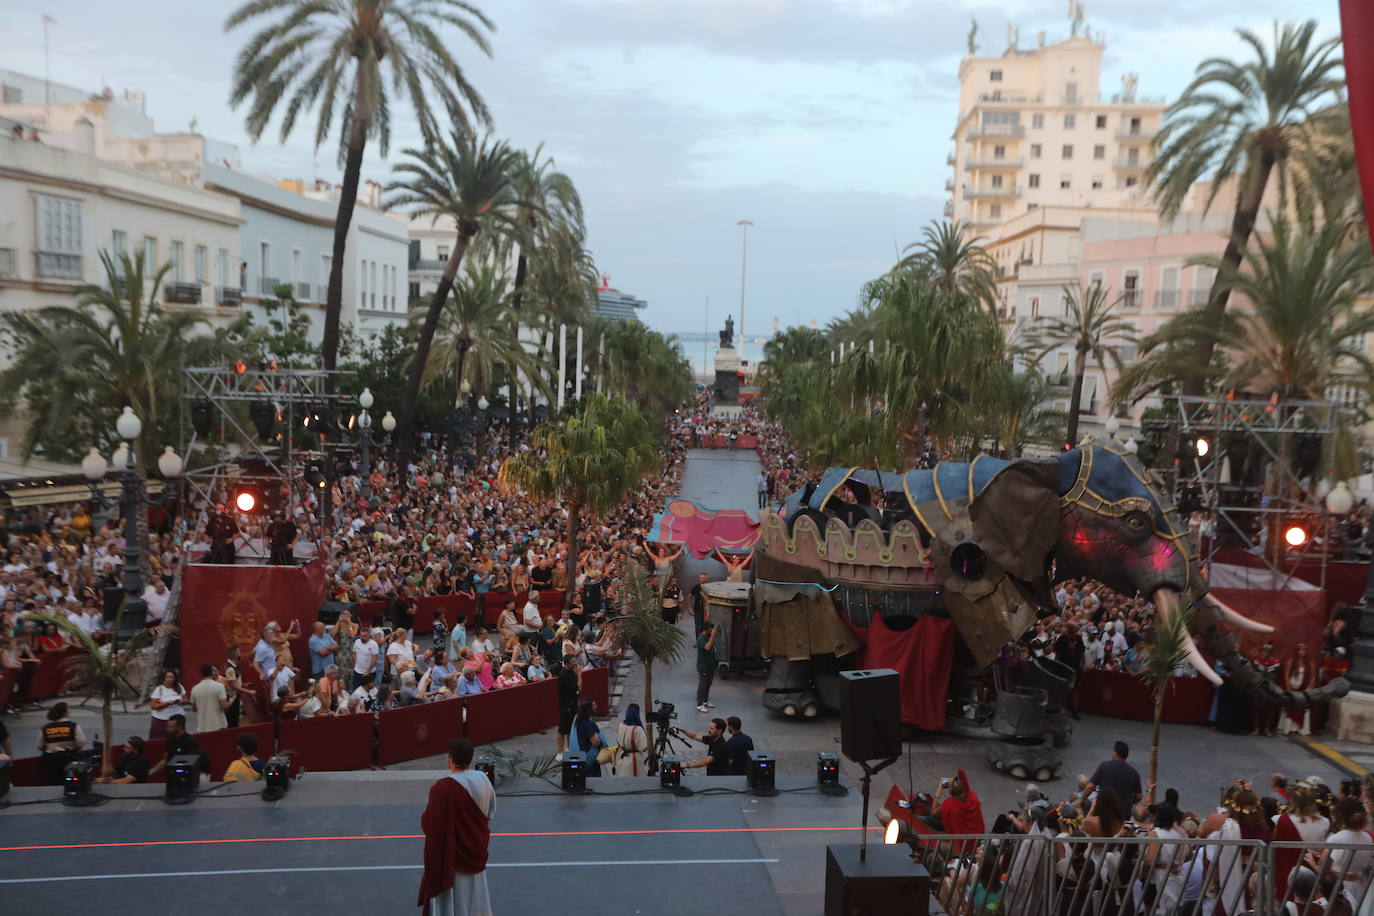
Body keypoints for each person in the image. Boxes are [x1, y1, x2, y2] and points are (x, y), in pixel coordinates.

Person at [418, 738, 496, 916]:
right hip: (476, 852)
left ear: (450, 758)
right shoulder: (483, 780)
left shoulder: (441, 789)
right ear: (470, 758)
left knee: (454, 904)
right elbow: (490, 812)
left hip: (452, 861)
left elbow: (430, 825)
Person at [921, 769, 985, 835]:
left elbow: (933, 813)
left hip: (959, 836)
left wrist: (937, 795)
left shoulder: (949, 805)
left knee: (927, 816)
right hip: (976, 833)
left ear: (951, 791)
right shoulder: (973, 796)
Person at [36, 701, 85, 785]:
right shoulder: (73, 726)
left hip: (50, 762)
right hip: (68, 761)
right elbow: (81, 743)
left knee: (53, 784)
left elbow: (39, 746)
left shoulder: (46, 728)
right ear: (65, 713)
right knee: (70, 781)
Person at [149, 714, 208, 779]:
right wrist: (151, 771)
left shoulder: (190, 741)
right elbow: (165, 760)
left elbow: (193, 763)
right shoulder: (170, 740)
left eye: (171, 727)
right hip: (173, 775)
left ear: (179, 727)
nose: (167, 729)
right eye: (168, 726)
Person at [1085, 740, 1142, 808]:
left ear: (1114, 752)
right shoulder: (1134, 773)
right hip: (1123, 811)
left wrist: (1081, 799)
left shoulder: (1104, 766)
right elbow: (1139, 796)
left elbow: (1090, 787)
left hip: (1104, 809)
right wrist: (1128, 802)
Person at [190, 663, 230, 733]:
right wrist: (231, 700)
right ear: (211, 672)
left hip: (203, 727)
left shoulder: (194, 689)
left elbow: (194, 709)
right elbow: (224, 706)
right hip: (219, 724)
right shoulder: (219, 686)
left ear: (201, 673)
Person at [149, 668, 187, 739]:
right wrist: (167, 704)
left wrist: (180, 701)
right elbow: (153, 706)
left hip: (177, 719)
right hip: (162, 719)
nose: (169, 679)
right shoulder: (159, 689)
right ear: (164, 678)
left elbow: (185, 699)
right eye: (167, 677)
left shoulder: (179, 687)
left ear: (175, 678)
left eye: (171, 677)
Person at [571, 698, 606, 776]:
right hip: (590, 763)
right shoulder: (588, 724)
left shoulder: (578, 721)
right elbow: (595, 742)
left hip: (581, 759)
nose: (596, 706)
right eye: (594, 705)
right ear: (589, 709)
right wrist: (601, 738)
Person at [613, 704, 649, 777]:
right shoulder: (637, 729)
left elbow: (618, 741)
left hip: (621, 757)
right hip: (634, 760)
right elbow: (644, 747)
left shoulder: (621, 725)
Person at [557, 654, 580, 754]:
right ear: (566, 663)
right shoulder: (563, 675)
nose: (575, 664)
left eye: (575, 661)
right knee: (562, 729)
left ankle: (569, 748)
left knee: (571, 728)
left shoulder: (571, 672)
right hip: (566, 706)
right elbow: (578, 687)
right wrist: (580, 674)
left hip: (573, 704)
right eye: (573, 662)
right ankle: (560, 752)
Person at [695, 623, 718, 713]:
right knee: (703, 685)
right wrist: (712, 636)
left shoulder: (707, 637)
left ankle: (705, 701)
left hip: (710, 665)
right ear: (706, 629)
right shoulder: (701, 639)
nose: (712, 631)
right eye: (710, 629)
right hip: (703, 666)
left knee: (708, 683)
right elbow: (707, 647)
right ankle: (699, 704)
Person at [690, 572, 709, 636]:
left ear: (706, 579)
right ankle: (698, 640)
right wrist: (690, 608)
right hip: (697, 610)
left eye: (703, 578)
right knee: (698, 626)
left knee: (706, 626)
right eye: (700, 578)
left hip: (707, 611)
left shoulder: (709, 588)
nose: (701, 580)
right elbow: (689, 597)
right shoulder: (696, 587)